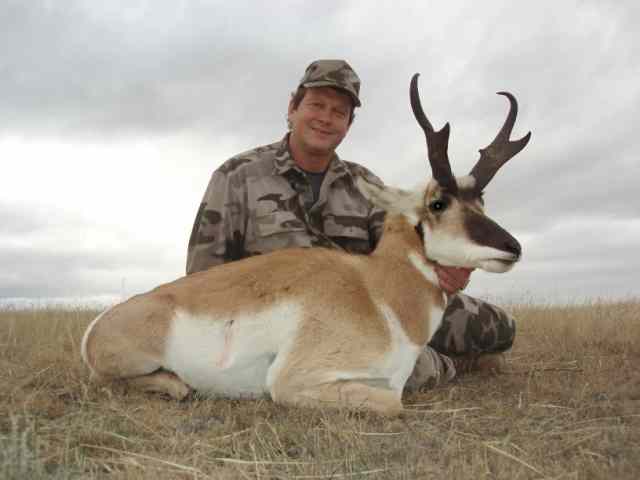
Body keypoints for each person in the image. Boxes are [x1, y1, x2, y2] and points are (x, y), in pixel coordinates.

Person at [186, 59, 516, 391]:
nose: (325, 118)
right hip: (278, 318)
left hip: (367, 306)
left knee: (497, 327)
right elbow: (201, 277)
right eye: (316, 105)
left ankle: (432, 351)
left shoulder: (365, 183)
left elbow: (405, 253)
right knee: (399, 371)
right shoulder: (237, 176)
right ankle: (446, 364)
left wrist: (451, 270)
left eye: (338, 112)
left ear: (348, 124)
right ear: (292, 108)